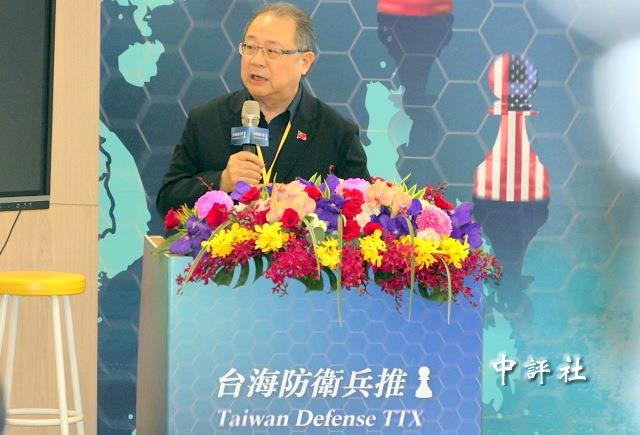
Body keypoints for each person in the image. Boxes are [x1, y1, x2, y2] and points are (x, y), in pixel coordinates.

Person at [156, 2, 370, 216]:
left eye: (272, 51)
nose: (256, 60)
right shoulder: (206, 120)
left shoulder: (337, 133)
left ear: (304, 62)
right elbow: (167, 200)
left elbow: (362, 214)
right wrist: (221, 181)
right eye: (250, 47)